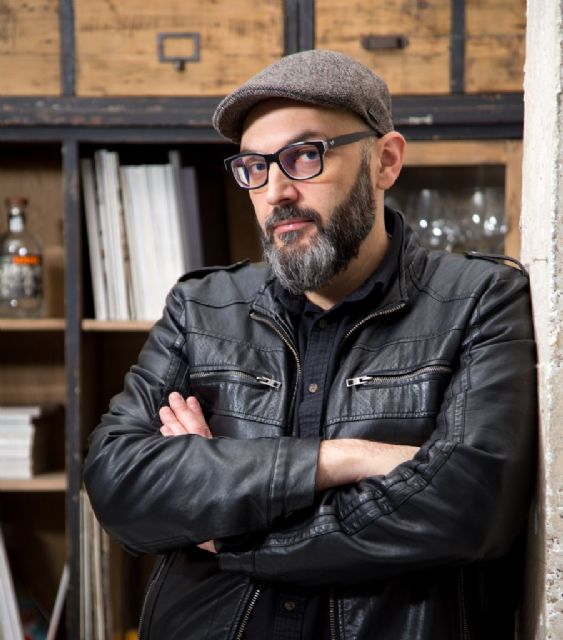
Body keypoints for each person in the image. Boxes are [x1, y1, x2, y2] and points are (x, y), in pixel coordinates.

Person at [83, 49, 537, 640]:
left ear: (385, 161)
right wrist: (345, 459)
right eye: (254, 166)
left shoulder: (480, 298)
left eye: (304, 156)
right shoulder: (202, 308)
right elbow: (117, 480)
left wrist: (231, 528)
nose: (275, 192)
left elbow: (469, 507)